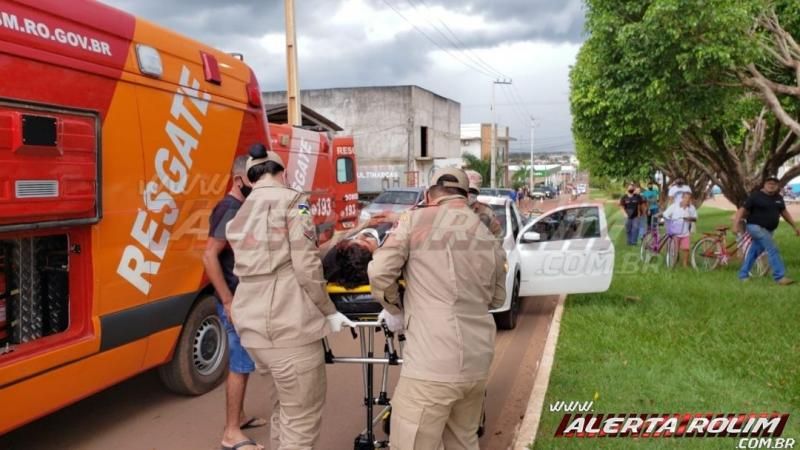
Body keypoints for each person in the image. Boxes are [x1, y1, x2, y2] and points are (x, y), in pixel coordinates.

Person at [225, 143, 355, 449]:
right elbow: (307, 265)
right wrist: (329, 310)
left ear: (250, 178)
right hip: (287, 327)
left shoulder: (241, 209)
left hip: (254, 330)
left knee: (284, 410)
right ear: (282, 173)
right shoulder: (293, 201)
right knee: (301, 421)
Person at [368, 168, 506, 450]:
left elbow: (380, 273)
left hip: (430, 366)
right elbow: (496, 299)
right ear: (467, 196)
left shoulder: (415, 220)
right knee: (464, 440)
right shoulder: (486, 230)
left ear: (429, 194)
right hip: (477, 362)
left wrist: (397, 307)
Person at [202, 156, 269, 450]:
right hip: (234, 300)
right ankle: (231, 433)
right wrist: (228, 301)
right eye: (253, 180)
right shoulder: (228, 209)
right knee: (240, 365)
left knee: (244, 362)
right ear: (240, 180)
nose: (258, 186)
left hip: (243, 298)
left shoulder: (241, 208)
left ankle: (239, 416)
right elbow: (209, 256)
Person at [733, 175, 800, 284]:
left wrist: (795, 227)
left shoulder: (779, 198)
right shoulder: (755, 196)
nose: (771, 185)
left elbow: (784, 213)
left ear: (777, 186)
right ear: (764, 185)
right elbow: (741, 210)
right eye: (769, 183)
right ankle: (780, 277)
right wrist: (735, 225)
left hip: (769, 230)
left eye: (774, 183)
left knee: (754, 252)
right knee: (773, 248)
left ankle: (743, 275)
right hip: (755, 227)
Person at [321, 214, 397, 288]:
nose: (362, 236)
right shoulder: (391, 249)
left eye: (356, 238)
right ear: (375, 255)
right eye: (367, 242)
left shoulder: (333, 252)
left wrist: (366, 223)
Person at [662, 192, 698, 267]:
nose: (687, 200)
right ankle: (673, 261)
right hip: (675, 231)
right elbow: (665, 214)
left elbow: (695, 218)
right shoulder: (675, 206)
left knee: (686, 248)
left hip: (685, 232)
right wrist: (670, 220)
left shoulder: (691, 208)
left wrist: (690, 218)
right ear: (682, 198)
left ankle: (685, 264)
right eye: (686, 198)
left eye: (689, 198)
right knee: (675, 248)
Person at [465, 170, 504, 238]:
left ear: (478, 192)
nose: (469, 194)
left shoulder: (487, 211)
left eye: (473, 191)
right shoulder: (448, 208)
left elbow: (498, 236)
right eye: (466, 190)